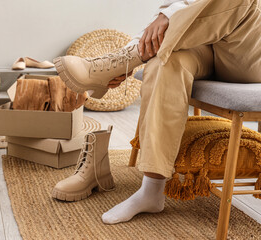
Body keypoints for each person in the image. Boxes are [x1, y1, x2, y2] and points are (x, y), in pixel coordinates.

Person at [52, 0, 261, 225]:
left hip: (249, 52)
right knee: (166, 61)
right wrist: (167, 15)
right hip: (210, 44)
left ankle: (120, 61)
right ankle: (151, 190)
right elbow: (182, 5)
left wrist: (167, 17)